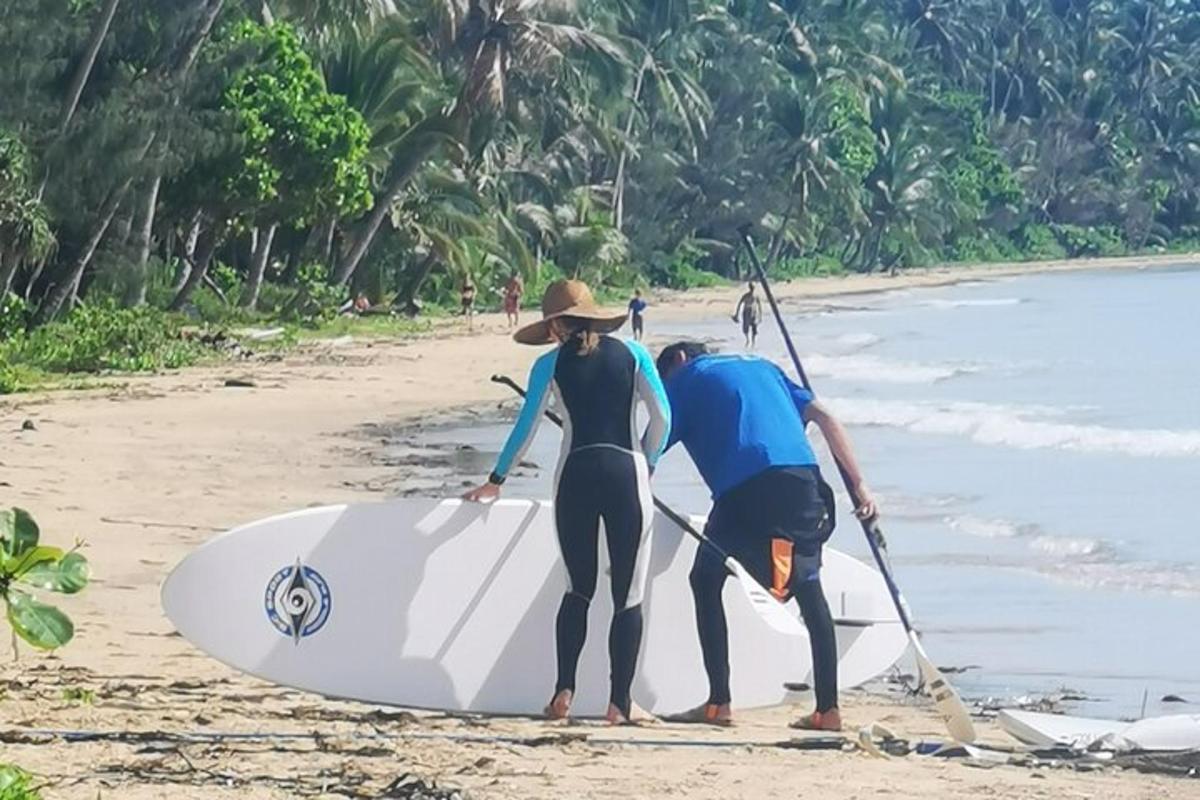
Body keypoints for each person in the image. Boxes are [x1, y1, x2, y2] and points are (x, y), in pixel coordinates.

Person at [463, 279, 671, 725]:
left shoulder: (549, 364)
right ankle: (620, 704)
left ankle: (563, 692)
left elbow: (526, 428)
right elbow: (663, 418)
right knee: (628, 595)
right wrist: (647, 462)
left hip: (574, 476)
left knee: (578, 589)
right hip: (625, 474)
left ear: (556, 324)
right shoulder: (634, 354)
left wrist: (496, 480)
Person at [654, 341, 878, 731]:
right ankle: (828, 709)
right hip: (805, 481)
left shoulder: (684, 378)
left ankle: (719, 703)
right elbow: (826, 417)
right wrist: (859, 487)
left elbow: (653, 442)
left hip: (746, 490)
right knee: (809, 586)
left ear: (678, 360)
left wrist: (632, 477)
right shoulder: (764, 366)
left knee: (705, 579)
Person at [732, 283, 763, 349]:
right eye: (751, 287)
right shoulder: (746, 295)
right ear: (749, 288)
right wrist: (736, 314)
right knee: (746, 328)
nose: (752, 289)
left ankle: (753, 343)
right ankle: (747, 340)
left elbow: (759, 306)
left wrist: (760, 316)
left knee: (754, 328)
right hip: (746, 312)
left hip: (753, 313)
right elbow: (739, 304)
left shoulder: (756, 296)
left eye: (753, 287)